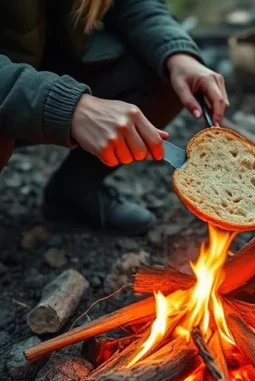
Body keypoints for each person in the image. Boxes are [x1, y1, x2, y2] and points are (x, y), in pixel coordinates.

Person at [0, 0, 229, 235]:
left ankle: (74, 191)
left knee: (164, 72)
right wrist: (66, 105)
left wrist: (176, 52)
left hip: (46, 63)